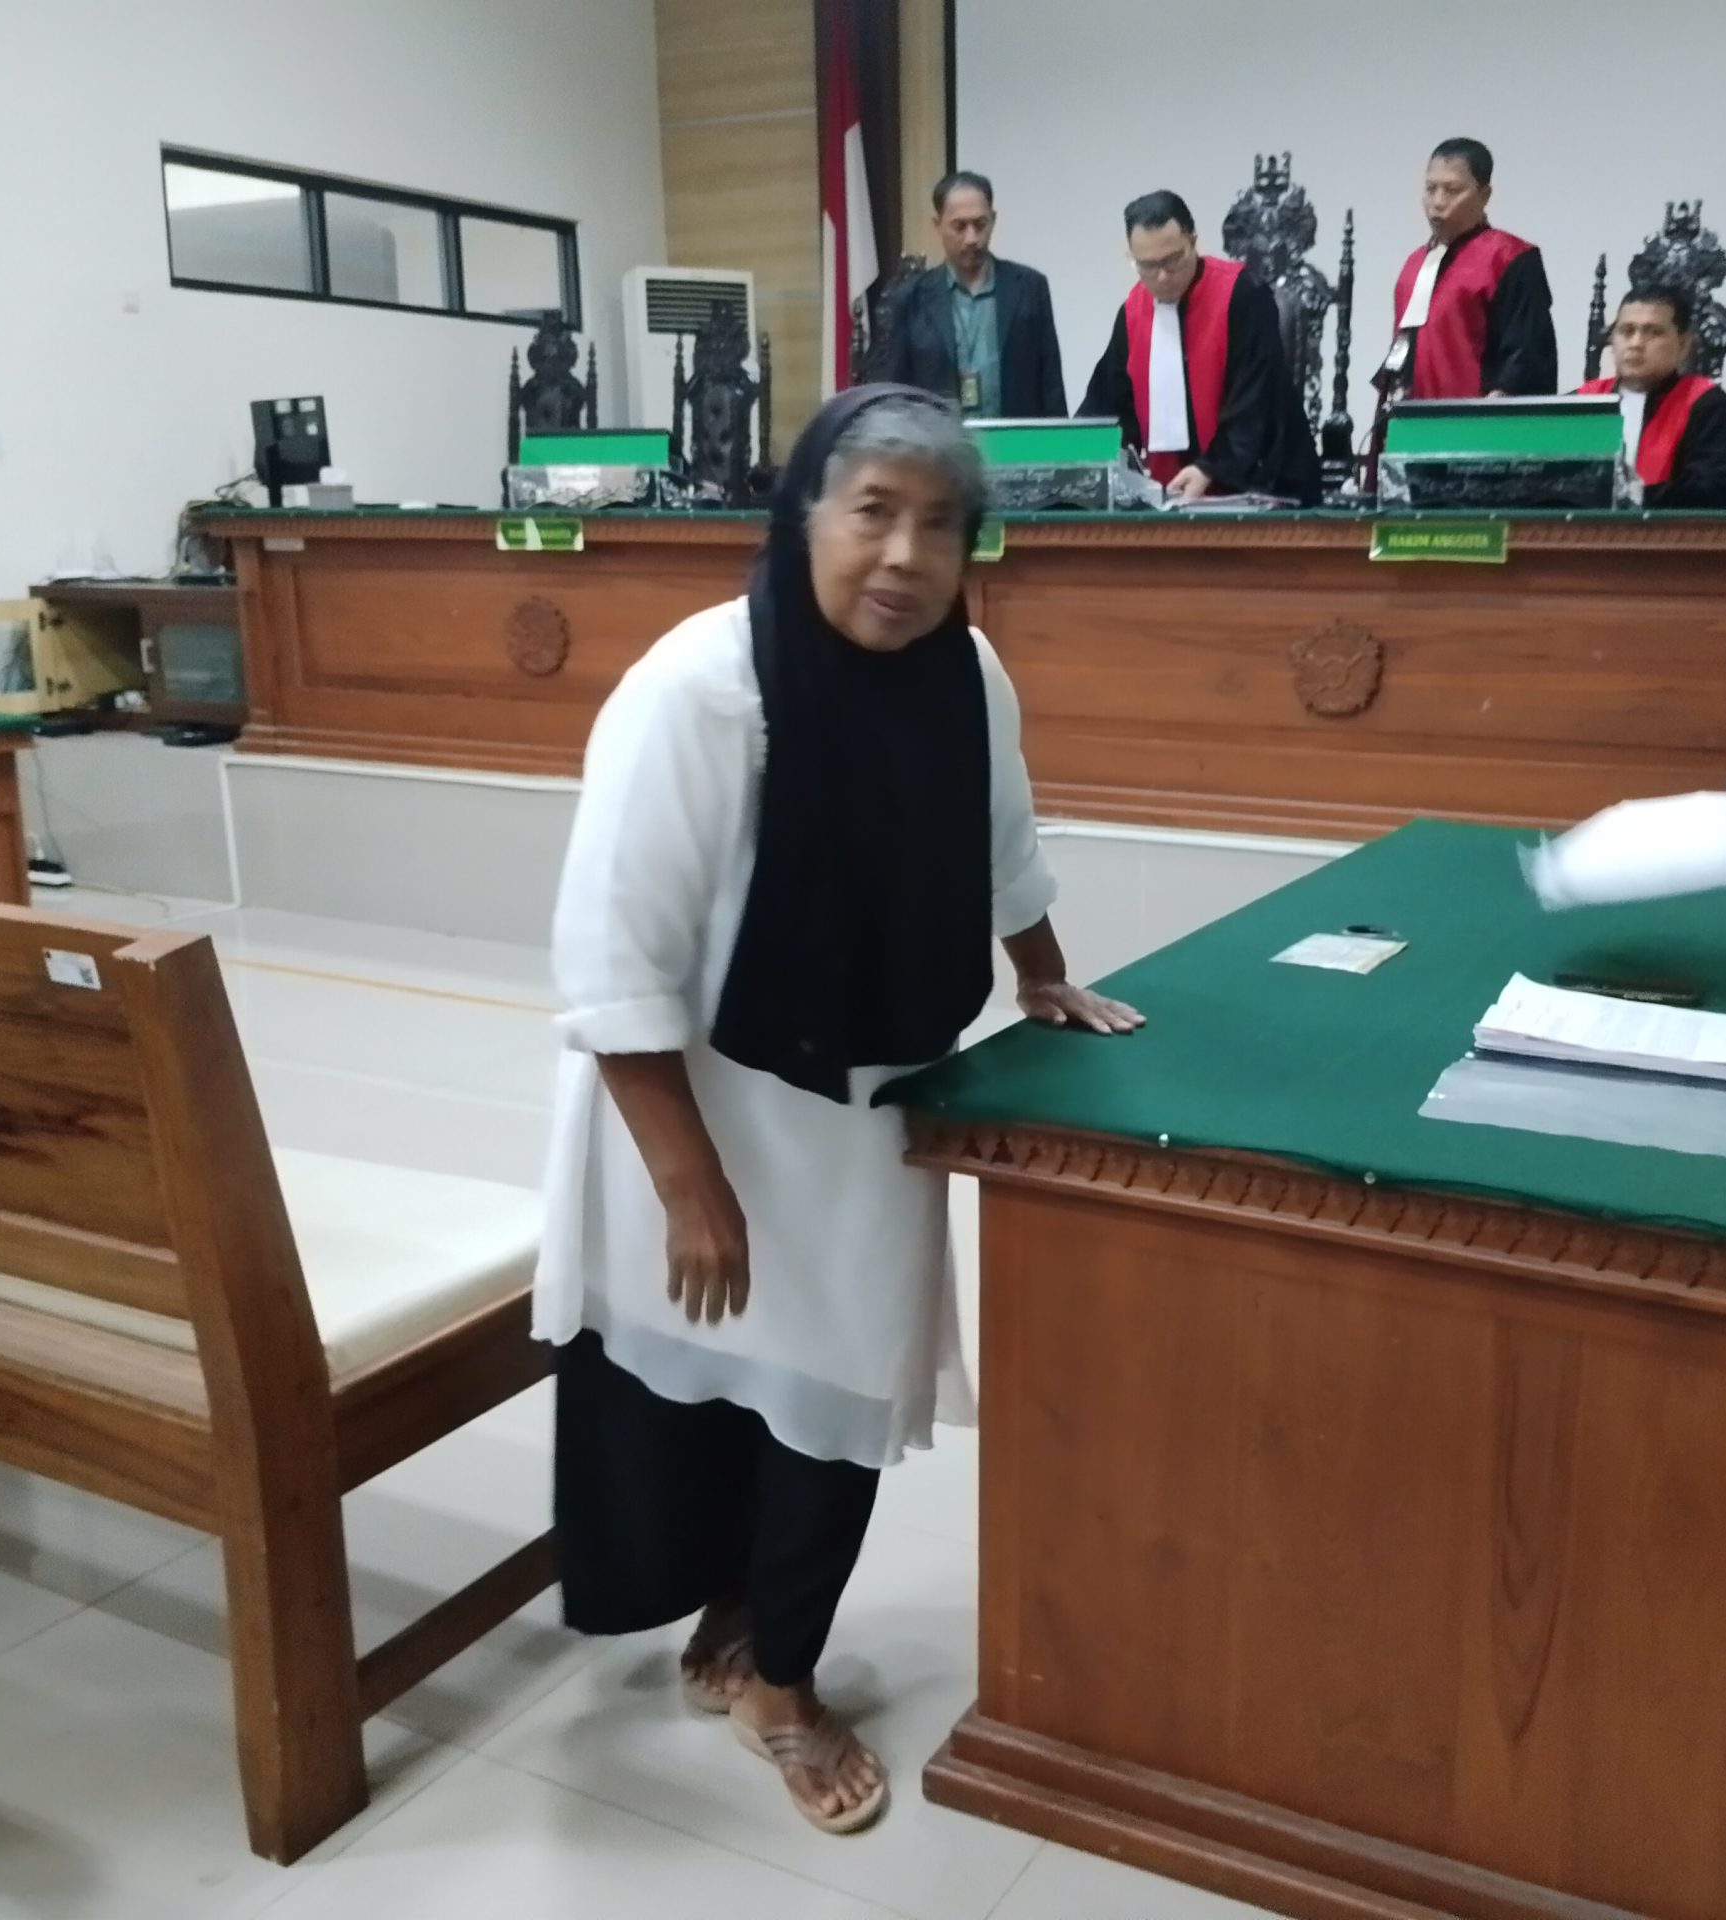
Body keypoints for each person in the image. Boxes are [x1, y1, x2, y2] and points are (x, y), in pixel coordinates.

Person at [535, 386, 1143, 1835]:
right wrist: (689, 1183)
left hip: (865, 1096)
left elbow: (1000, 843)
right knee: (691, 1371)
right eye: (872, 512)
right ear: (804, 511)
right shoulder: (699, 689)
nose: (905, 556)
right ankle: (732, 1624)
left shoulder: (965, 669)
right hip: (690, 1097)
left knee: (839, 1384)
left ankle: (777, 1670)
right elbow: (612, 956)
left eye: (940, 525)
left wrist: (1041, 972)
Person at [1080, 190, 1322, 504]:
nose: (1162, 277)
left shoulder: (1243, 294)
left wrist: (1210, 468)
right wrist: (1081, 456)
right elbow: (1108, 408)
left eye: (1172, 260)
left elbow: (1256, 400)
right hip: (1171, 495)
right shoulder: (1132, 313)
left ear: (1193, 242)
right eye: (1147, 266)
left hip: (1261, 487)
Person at [867, 171, 1069, 418]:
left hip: (1013, 438)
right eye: (959, 226)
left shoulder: (1029, 288)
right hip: (939, 440)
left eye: (980, 225)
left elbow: (1051, 387)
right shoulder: (911, 298)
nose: (972, 238)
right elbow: (892, 394)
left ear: (993, 220)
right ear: (938, 225)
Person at [1383, 137, 1556, 401]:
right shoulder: (1413, 265)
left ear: (1484, 195)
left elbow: (1528, 357)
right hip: (1411, 418)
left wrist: (1494, 408)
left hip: (1477, 419)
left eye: (1452, 190)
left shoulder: (1510, 257)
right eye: (1431, 189)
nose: (1438, 202)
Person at [1573, 283, 1726, 508]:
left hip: (1670, 529)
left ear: (1683, 345)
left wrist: (1631, 496)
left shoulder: (1709, 406)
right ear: (1612, 341)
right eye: (1626, 331)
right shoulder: (1581, 401)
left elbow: (1709, 491)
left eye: (1653, 332)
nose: (1636, 344)